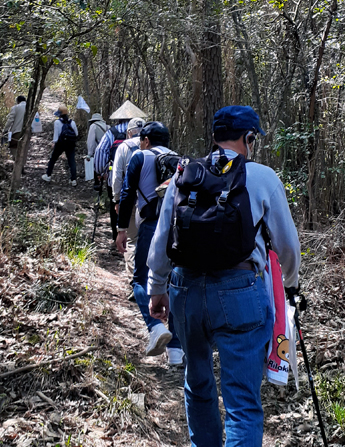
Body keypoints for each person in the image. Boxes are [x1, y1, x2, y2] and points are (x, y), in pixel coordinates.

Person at [146, 106, 301, 447]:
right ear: (248, 138)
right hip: (240, 292)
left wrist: (156, 289)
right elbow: (288, 247)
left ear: (214, 136)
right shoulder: (262, 177)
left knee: (197, 384)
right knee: (242, 402)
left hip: (185, 290)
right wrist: (290, 285)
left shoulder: (184, 174)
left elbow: (162, 239)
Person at [116, 121, 183, 366]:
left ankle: (155, 326)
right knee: (174, 282)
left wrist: (121, 229)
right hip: (180, 230)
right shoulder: (181, 161)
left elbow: (127, 193)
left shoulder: (139, 157)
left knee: (140, 279)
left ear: (145, 140)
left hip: (151, 225)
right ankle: (176, 350)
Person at [112, 118, 145, 274]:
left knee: (131, 241)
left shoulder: (124, 147)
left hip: (129, 199)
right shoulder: (152, 145)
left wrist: (117, 199)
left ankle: (134, 280)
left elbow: (117, 176)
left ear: (129, 132)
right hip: (150, 200)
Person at [93, 117, 131, 240]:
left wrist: (100, 171)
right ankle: (132, 238)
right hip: (138, 178)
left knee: (115, 204)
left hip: (115, 176)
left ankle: (117, 237)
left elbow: (100, 151)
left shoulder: (112, 132)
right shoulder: (144, 130)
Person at [42, 104, 79, 186]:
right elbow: (76, 134)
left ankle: (48, 175)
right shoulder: (72, 122)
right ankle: (73, 180)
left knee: (53, 159)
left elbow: (56, 135)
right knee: (72, 161)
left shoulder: (57, 122)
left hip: (60, 144)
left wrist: (54, 142)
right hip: (70, 144)